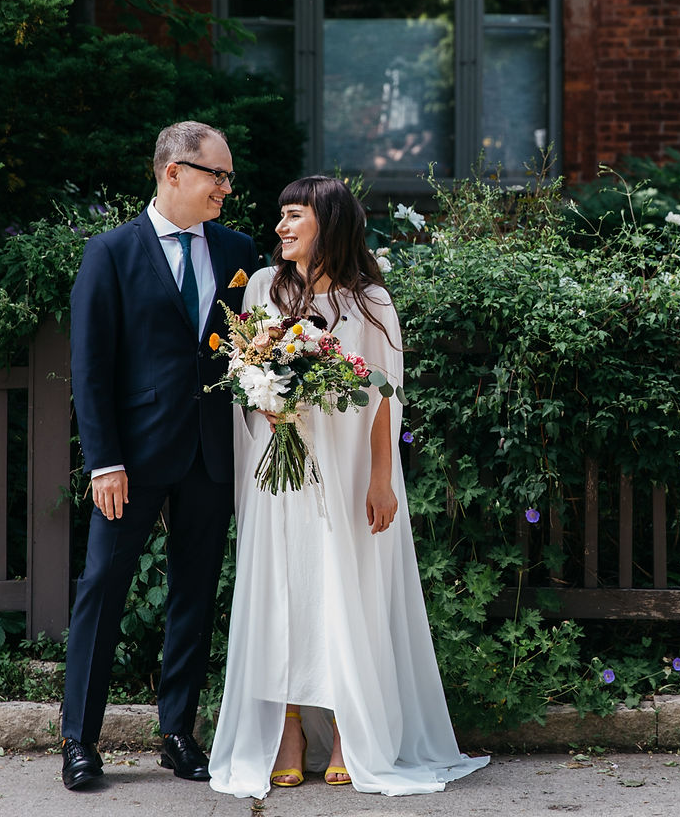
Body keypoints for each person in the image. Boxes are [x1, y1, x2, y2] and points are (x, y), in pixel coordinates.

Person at [208, 176, 488, 798]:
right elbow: (244, 372)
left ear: (328, 222)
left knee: (342, 590)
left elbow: (385, 397)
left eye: (293, 216)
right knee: (280, 592)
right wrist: (267, 393)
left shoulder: (370, 302)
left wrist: (383, 478)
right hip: (278, 472)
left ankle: (342, 728)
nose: (281, 227)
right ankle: (286, 733)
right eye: (279, 216)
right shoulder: (261, 288)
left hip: (348, 469)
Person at [61, 122, 259, 791]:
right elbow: (91, 368)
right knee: (102, 590)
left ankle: (178, 734)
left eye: (229, 177)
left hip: (210, 453)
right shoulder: (110, 253)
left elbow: (251, 350)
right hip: (134, 460)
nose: (227, 188)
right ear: (174, 172)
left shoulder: (238, 251)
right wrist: (104, 461)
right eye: (217, 175)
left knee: (194, 596)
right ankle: (80, 741)